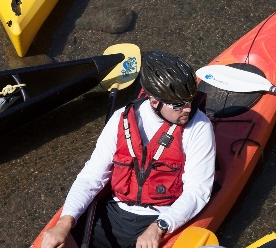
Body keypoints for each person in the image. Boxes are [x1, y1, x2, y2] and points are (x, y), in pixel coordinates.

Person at [40, 52, 215, 248]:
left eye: (190, 101)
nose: (188, 109)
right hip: (113, 212)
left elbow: (197, 191)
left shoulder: (199, 127)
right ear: (154, 101)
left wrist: (158, 227)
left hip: (161, 216)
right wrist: (64, 222)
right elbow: (91, 177)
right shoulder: (120, 120)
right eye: (178, 105)